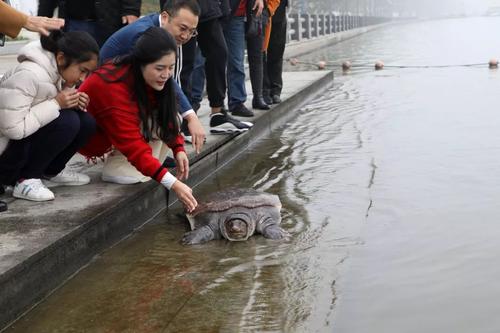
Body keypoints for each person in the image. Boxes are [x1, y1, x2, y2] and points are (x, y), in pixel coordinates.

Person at [79, 27, 198, 212]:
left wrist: (178, 148)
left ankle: (147, 167)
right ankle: (117, 168)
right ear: (140, 63)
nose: (166, 74)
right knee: (131, 177)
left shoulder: (150, 78)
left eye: (170, 67)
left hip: (121, 130)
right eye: (160, 68)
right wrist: (173, 183)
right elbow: (132, 145)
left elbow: (166, 116)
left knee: (172, 115)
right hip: (94, 140)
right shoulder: (113, 87)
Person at [0, 30, 99, 202]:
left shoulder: (56, 72)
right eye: (82, 71)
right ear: (61, 58)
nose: (83, 79)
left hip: (19, 147)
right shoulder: (29, 74)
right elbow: (12, 129)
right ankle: (25, 180)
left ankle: (50, 171)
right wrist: (57, 104)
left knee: (86, 122)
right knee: (68, 122)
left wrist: (72, 101)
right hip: (6, 159)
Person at [101, 0, 206, 152]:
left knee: (170, 111)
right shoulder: (144, 35)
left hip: (127, 88)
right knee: (165, 114)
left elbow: (166, 78)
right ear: (165, 17)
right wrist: (190, 116)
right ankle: (126, 163)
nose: (186, 36)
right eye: (183, 28)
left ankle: (152, 157)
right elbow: (165, 79)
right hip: (108, 98)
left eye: (192, 31)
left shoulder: (162, 31)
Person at [38, 0, 141, 47]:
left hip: (109, 19)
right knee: (75, 67)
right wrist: (43, 17)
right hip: (72, 22)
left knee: (110, 66)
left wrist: (131, 9)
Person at [263, 0, 287, 105]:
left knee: (277, 51)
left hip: (279, 12)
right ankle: (264, 90)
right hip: (262, 11)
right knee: (261, 53)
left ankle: (276, 90)